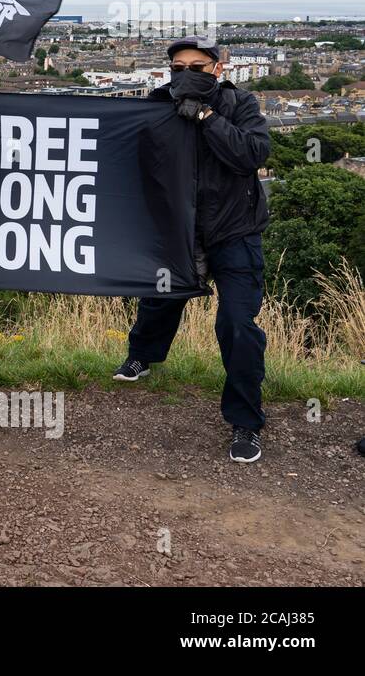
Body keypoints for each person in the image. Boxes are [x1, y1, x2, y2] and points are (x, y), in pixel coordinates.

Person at [113, 37, 271, 464]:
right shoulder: (157, 102)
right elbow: (132, 152)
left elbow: (252, 154)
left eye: (197, 67)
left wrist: (204, 116)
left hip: (234, 228)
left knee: (238, 324)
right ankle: (142, 356)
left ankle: (246, 421)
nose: (186, 74)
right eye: (178, 67)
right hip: (177, 227)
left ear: (218, 70)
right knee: (160, 298)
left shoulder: (240, 104)